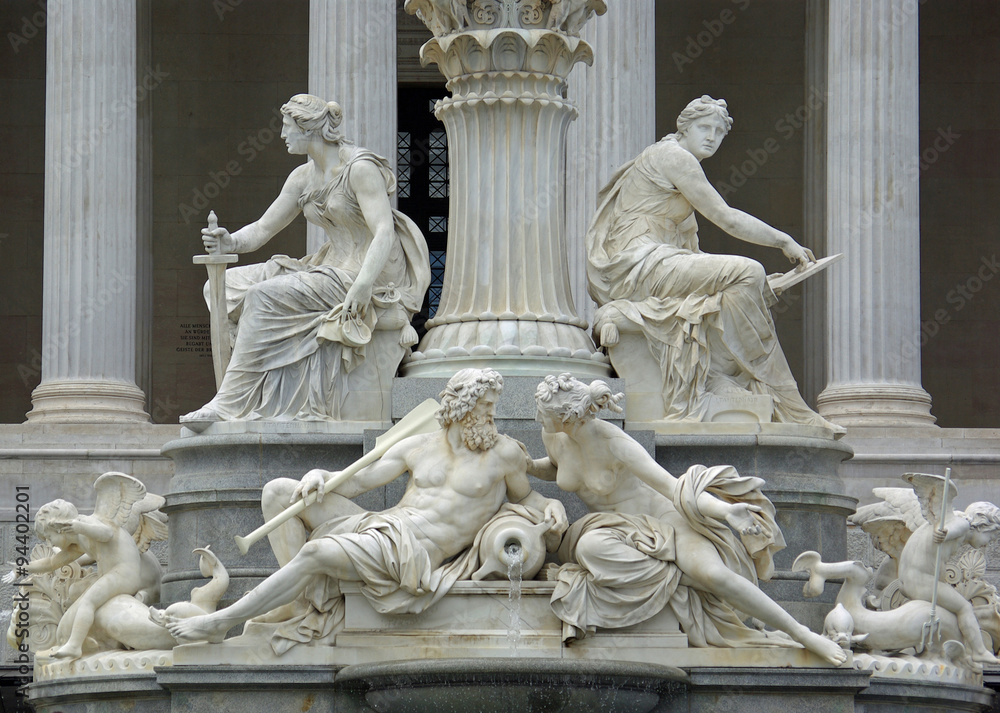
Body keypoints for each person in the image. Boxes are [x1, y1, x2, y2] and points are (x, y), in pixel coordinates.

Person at [167, 368, 568, 648]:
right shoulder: (418, 445)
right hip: (385, 526)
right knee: (279, 491)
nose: (491, 414)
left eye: (493, 406)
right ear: (462, 407)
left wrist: (551, 504)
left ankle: (223, 621)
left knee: (315, 552)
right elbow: (360, 481)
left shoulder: (504, 454)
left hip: (412, 552)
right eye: (485, 405)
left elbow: (526, 497)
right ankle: (302, 600)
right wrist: (321, 473)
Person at [528, 373, 847, 665]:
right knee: (588, 549)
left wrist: (726, 512)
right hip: (612, 527)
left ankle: (803, 634)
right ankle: (678, 576)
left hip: (661, 518)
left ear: (567, 418)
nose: (538, 417)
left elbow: (672, 486)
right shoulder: (552, 435)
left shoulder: (615, 443)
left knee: (715, 575)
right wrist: (527, 465)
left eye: (543, 413)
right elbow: (559, 468)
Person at [587, 95, 842, 433]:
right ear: (684, 128)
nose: (711, 137)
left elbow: (694, 256)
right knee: (748, 271)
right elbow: (726, 218)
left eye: (719, 132)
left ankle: (731, 382)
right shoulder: (674, 157)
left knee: (746, 285)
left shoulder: (670, 159)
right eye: (703, 128)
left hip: (653, 263)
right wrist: (783, 240)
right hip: (641, 267)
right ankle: (791, 405)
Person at [181, 94, 430, 424]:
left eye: (286, 127)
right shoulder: (302, 178)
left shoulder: (359, 169)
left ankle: (229, 401)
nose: (282, 135)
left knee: (261, 296)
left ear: (307, 127)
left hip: (365, 273)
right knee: (225, 287)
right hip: (329, 267)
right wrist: (230, 240)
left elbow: (384, 230)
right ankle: (258, 391)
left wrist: (363, 285)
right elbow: (262, 229)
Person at [899, 498, 1000, 665]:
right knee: (964, 607)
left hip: (910, 578)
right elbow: (948, 530)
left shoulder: (956, 521)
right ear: (983, 526)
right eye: (992, 537)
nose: (989, 543)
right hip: (920, 580)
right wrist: (944, 532)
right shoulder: (963, 524)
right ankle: (980, 651)